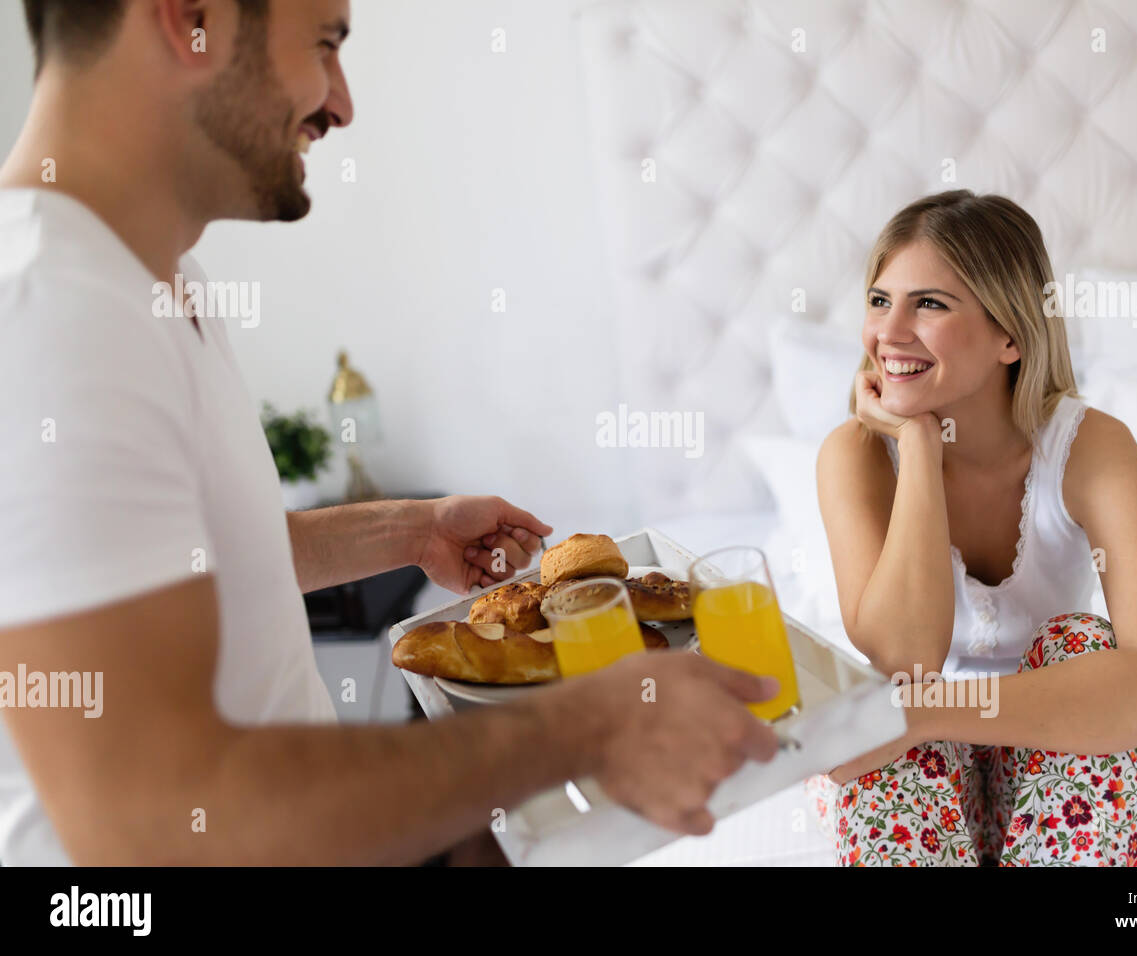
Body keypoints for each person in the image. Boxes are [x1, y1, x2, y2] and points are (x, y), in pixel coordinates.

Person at [0, 0, 779, 866]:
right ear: (190, 19)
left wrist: (407, 530)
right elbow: (154, 818)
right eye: (325, 45)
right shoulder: (50, 313)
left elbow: (203, 562)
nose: (342, 103)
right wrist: (580, 728)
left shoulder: (148, 280)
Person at [806, 190, 1137, 866]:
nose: (889, 331)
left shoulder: (1093, 449)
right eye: (879, 300)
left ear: (1010, 335)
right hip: (917, 759)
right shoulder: (856, 456)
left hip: (1053, 737)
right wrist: (922, 448)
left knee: (1079, 643)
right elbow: (906, 662)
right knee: (880, 702)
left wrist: (922, 714)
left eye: (928, 303)